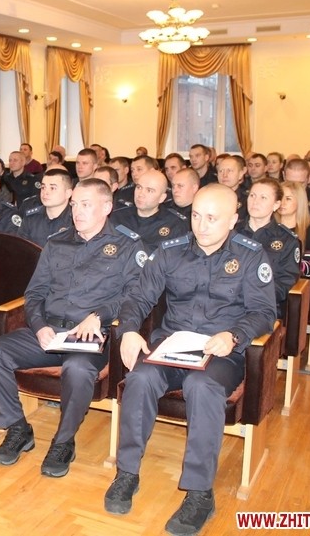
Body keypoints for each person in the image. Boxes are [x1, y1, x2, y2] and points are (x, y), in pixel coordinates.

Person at [104, 184, 276, 536]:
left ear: (233, 220)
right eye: (196, 216)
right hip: (172, 345)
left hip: (220, 352)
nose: (201, 226)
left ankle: (200, 493)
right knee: (140, 378)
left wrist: (234, 335)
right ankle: (127, 472)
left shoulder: (250, 256)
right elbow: (138, 297)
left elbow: (264, 312)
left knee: (201, 385)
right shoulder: (171, 251)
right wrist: (130, 330)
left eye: (212, 218)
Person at [0, 179, 145, 477]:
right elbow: (34, 294)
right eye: (74, 204)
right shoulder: (57, 243)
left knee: (78, 370)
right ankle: (17, 428)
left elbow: (135, 295)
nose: (77, 211)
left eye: (86, 205)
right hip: (50, 330)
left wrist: (99, 315)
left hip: (91, 335)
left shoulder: (128, 245)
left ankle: (63, 441)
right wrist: (39, 326)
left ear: (107, 207)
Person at [237, 178, 300, 316]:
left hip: (261, 307)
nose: (255, 201)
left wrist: (249, 295)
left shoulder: (287, 240)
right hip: (224, 304)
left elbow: (284, 283)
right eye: (252, 195)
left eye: (263, 197)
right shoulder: (230, 231)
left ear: (276, 204)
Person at [112, 170, 188, 253]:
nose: (141, 194)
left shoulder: (175, 225)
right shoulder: (117, 217)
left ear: (161, 198)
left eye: (149, 190)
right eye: (139, 187)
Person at [280, 181, 310, 277]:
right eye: (280, 197)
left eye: (288, 199)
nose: (282, 202)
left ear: (299, 202)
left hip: (297, 279)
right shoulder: (269, 227)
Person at [17, 169, 74, 247]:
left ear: (68, 193)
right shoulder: (31, 218)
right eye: (43, 187)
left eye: (52, 188)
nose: (45, 192)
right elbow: (19, 248)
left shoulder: (75, 220)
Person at [217, 155, 249, 222]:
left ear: (240, 174)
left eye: (230, 171)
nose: (224, 175)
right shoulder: (211, 196)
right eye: (221, 171)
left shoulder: (247, 199)